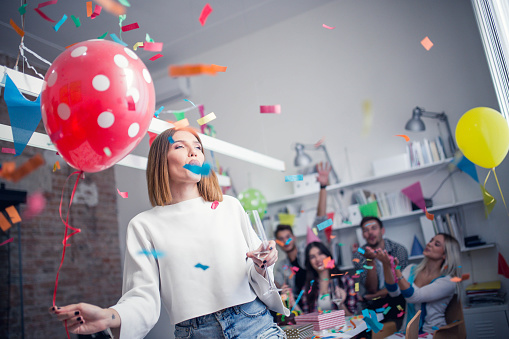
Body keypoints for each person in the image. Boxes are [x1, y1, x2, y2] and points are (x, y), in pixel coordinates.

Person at [49, 126, 289, 339]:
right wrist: (109, 317)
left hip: (255, 326)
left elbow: (256, 273)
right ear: (161, 161)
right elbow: (143, 297)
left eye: (197, 147)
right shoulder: (144, 225)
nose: (194, 152)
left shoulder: (229, 206)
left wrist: (261, 264)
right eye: (180, 146)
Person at [376, 233, 462, 335]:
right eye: (431, 240)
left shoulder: (448, 281)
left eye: (437, 244)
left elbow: (413, 297)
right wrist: (386, 266)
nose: (429, 244)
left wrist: (396, 270)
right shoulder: (411, 269)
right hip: (406, 332)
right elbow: (393, 292)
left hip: (433, 334)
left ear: (445, 255)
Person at [352, 216, 408, 327]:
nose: (370, 233)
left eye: (374, 228)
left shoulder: (399, 250)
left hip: (397, 299)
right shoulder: (359, 255)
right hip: (373, 304)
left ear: (382, 230)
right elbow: (371, 289)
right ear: (363, 235)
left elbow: (401, 283)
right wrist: (370, 261)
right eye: (366, 230)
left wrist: (375, 295)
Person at [297, 242, 353, 315]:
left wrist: (341, 304)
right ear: (309, 262)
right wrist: (292, 303)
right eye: (312, 257)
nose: (318, 259)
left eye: (320, 253)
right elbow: (308, 319)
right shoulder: (307, 288)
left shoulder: (346, 281)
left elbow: (353, 317)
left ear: (327, 255)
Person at [273, 224, 306, 305]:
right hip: (298, 305)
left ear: (294, 237)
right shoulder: (281, 266)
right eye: (281, 239)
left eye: (288, 237)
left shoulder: (307, 255)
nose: (285, 241)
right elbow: (278, 285)